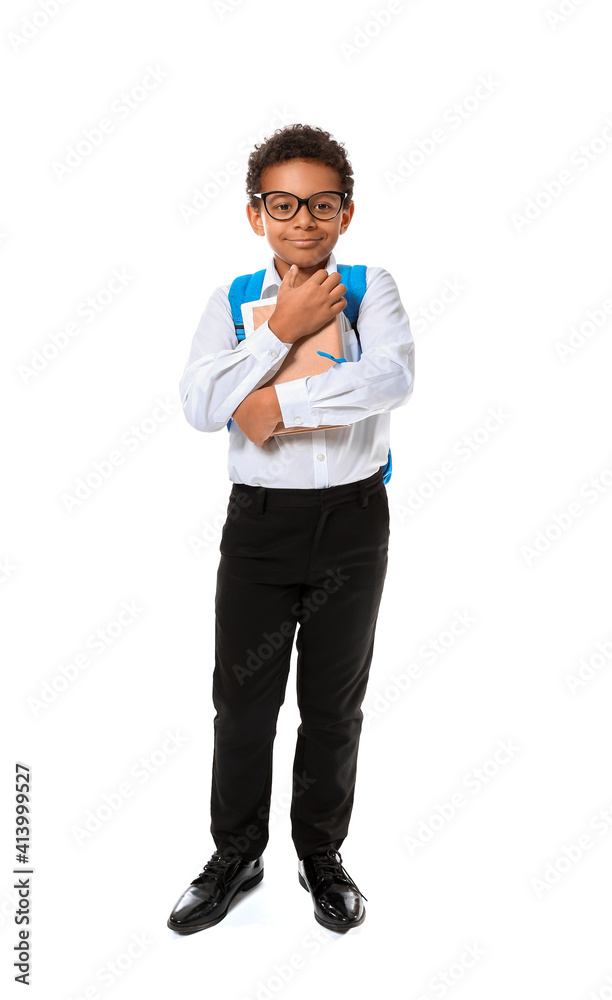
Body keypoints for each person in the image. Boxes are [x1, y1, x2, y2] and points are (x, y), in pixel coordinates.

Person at [167, 123, 415, 934]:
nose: (302, 220)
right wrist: (280, 330)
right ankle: (236, 853)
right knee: (241, 703)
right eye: (283, 204)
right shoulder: (233, 302)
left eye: (321, 203)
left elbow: (391, 377)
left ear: (346, 211)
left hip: (351, 520)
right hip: (261, 526)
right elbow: (204, 408)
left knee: (333, 704)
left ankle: (321, 854)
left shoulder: (370, 285)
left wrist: (279, 403)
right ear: (255, 215)